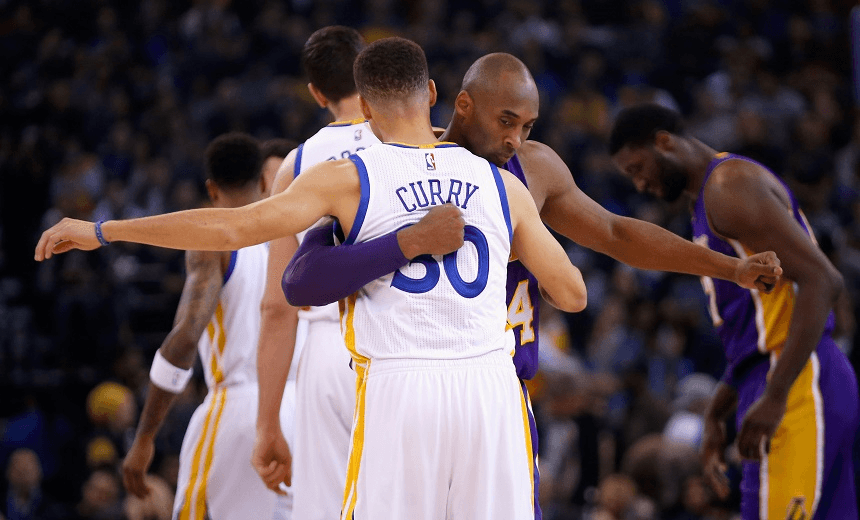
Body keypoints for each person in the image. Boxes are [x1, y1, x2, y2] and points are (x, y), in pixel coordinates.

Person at [36, 36, 587, 520]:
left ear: (365, 107)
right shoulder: (500, 184)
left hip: (401, 386)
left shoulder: (347, 178)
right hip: (492, 387)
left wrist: (105, 230)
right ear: (434, 94)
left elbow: (233, 228)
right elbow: (571, 293)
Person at [279, 52, 784, 520]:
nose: (514, 140)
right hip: (414, 388)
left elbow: (616, 233)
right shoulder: (402, 168)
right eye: (505, 123)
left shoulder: (533, 168)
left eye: (526, 126)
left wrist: (728, 267)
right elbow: (311, 269)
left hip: (502, 392)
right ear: (462, 105)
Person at [251, 26, 463, 520]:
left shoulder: (299, 164)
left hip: (331, 348)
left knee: (329, 508)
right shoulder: (436, 144)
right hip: (426, 346)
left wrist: (267, 424)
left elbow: (279, 306)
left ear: (317, 93)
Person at [608, 103, 858, 519]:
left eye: (638, 168)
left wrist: (776, 394)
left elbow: (822, 280)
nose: (640, 184)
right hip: (783, 375)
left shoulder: (728, 186)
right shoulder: (705, 203)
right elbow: (758, 325)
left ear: (664, 142)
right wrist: (719, 407)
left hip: (798, 380)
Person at [119, 132, 292, 520]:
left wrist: (144, 437)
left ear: (211, 189)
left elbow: (184, 340)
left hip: (240, 406)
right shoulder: (300, 237)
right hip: (303, 411)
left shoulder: (214, 240)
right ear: (265, 183)